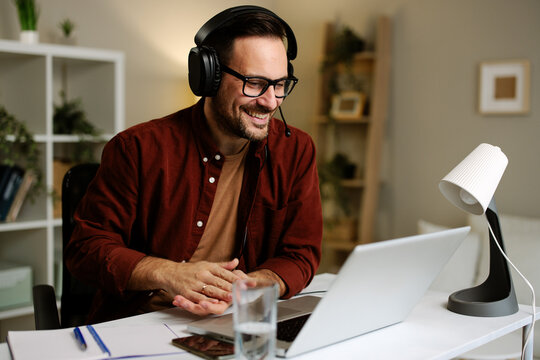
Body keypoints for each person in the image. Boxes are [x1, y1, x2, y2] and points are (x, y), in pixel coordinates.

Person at [65, 5, 322, 323]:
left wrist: (251, 286)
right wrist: (170, 273)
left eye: (280, 84)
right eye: (255, 83)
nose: (271, 101)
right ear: (209, 76)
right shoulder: (137, 148)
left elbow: (302, 252)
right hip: (143, 323)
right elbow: (86, 249)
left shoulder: (296, 150)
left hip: (238, 320)